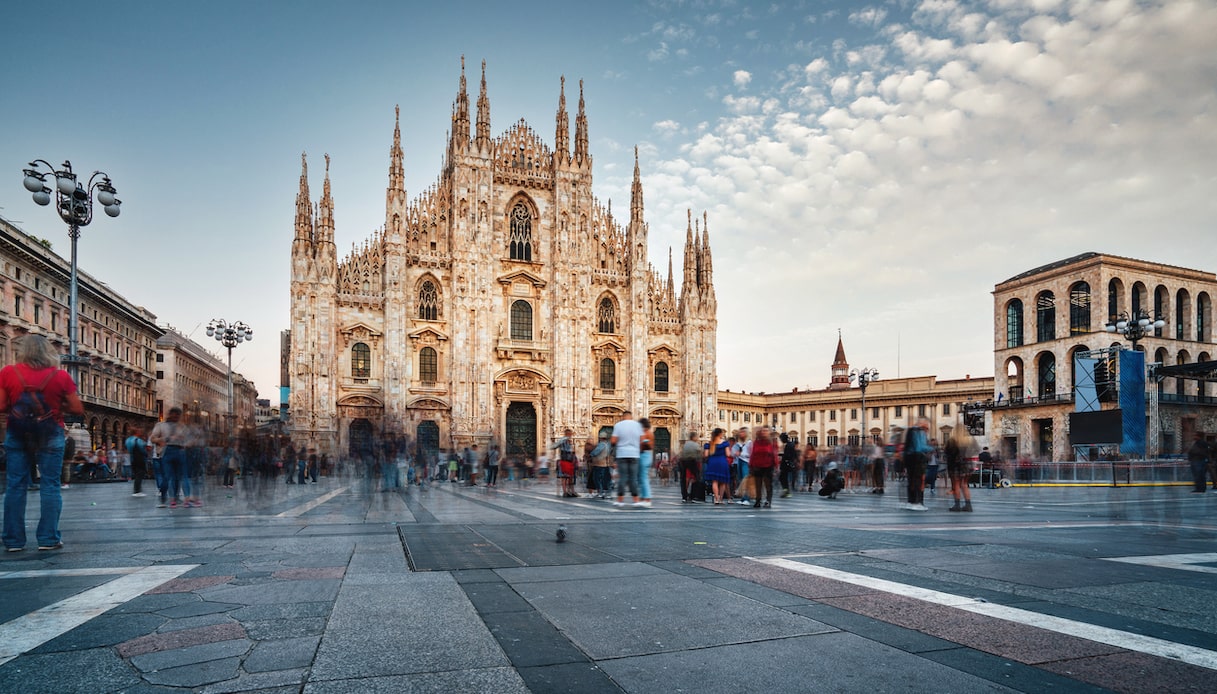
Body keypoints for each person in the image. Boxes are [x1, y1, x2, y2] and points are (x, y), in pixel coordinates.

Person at [1, 335, 83, 552]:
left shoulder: (8, 372)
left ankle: (13, 541)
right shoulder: (60, 376)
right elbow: (77, 409)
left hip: (17, 433)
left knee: (15, 486)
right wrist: (55, 408)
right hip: (50, 432)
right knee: (50, 485)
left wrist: (18, 407)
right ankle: (48, 539)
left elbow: (1, 405)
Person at [150, 407, 191, 508]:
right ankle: (164, 498)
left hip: (180, 451)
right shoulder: (161, 425)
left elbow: (188, 440)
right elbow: (153, 438)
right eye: (174, 414)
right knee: (167, 476)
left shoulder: (182, 427)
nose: (176, 417)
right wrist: (167, 439)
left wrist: (184, 442)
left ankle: (174, 498)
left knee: (178, 477)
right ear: (170, 414)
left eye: (178, 415)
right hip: (167, 451)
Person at [610, 411, 644, 508]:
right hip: (634, 454)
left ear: (623, 417)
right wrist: (638, 450)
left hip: (622, 454)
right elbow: (642, 440)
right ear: (631, 416)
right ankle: (636, 501)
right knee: (633, 478)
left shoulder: (618, 425)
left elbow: (613, 440)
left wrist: (614, 445)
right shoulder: (638, 425)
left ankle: (620, 501)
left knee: (623, 477)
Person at [902, 418, 931, 510]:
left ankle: (911, 501)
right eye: (927, 426)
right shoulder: (919, 432)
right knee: (918, 480)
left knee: (911, 480)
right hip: (917, 458)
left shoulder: (911, 430)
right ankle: (917, 501)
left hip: (909, 458)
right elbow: (920, 447)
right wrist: (931, 448)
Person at [945, 423, 974, 511]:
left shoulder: (952, 440)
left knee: (956, 485)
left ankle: (957, 505)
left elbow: (947, 452)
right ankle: (968, 505)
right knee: (964, 485)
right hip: (966, 465)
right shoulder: (968, 440)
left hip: (955, 465)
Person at [701, 428, 732, 504]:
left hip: (712, 462)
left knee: (714, 481)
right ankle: (721, 499)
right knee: (723, 482)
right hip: (722, 462)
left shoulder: (709, 444)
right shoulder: (725, 444)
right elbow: (728, 454)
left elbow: (705, 455)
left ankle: (716, 498)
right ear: (720, 434)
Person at [749, 426, 777, 508]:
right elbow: (753, 454)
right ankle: (758, 500)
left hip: (768, 465)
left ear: (769, 433)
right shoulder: (757, 442)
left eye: (766, 431)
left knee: (768, 484)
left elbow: (774, 454)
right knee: (758, 485)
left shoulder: (772, 442)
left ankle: (768, 500)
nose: (764, 432)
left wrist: (776, 466)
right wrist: (751, 465)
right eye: (763, 431)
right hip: (757, 465)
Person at [551, 430, 578, 497]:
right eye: (570, 434)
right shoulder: (564, 440)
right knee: (565, 477)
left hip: (568, 461)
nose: (571, 435)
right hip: (565, 461)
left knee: (569, 477)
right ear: (567, 434)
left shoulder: (568, 441)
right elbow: (555, 446)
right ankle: (565, 491)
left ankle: (569, 491)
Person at [678, 431, 702, 503]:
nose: (697, 438)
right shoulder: (696, 445)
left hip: (683, 462)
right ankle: (693, 495)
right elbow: (699, 454)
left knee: (683, 479)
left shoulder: (686, 444)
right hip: (692, 461)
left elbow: (681, 453)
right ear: (693, 437)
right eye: (696, 437)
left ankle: (684, 496)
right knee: (697, 478)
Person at [126, 426, 149, 497]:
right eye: (138, 431)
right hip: (139, 459)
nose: (140, 433)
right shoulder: (138, 440)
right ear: (136, 432)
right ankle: (137, 491)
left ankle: (137, 489)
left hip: (132, 459)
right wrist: (146, 453)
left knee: (137, 474)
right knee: (140, 474)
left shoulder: (128, 440)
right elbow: (143, 449)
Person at [589, 433, 612, 498]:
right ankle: (605, 493)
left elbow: (596, 452)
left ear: (600, 438)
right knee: (604, 479)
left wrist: (590, 455)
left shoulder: (601, 444)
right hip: (605, 464)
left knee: (597, 479)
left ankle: (600, 492)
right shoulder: (608, 444)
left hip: (599, 464)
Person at [638, 418, 655, 507]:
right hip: (645, 456)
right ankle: (643, 497)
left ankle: (647, 498)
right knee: (641, 478)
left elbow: (650, 446)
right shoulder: (647, 433)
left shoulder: (647, 433)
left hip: (645, 456)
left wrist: (644, 442)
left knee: (643, 478)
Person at [778, 432, 799, 498]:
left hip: (786, 464)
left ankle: (786, 491)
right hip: (788, 463)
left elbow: (787, 455)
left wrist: (780, 455)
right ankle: (786, 490)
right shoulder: (791, 444)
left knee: (782, 478)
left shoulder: (788, 445)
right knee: (784, 478)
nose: (781, 440)